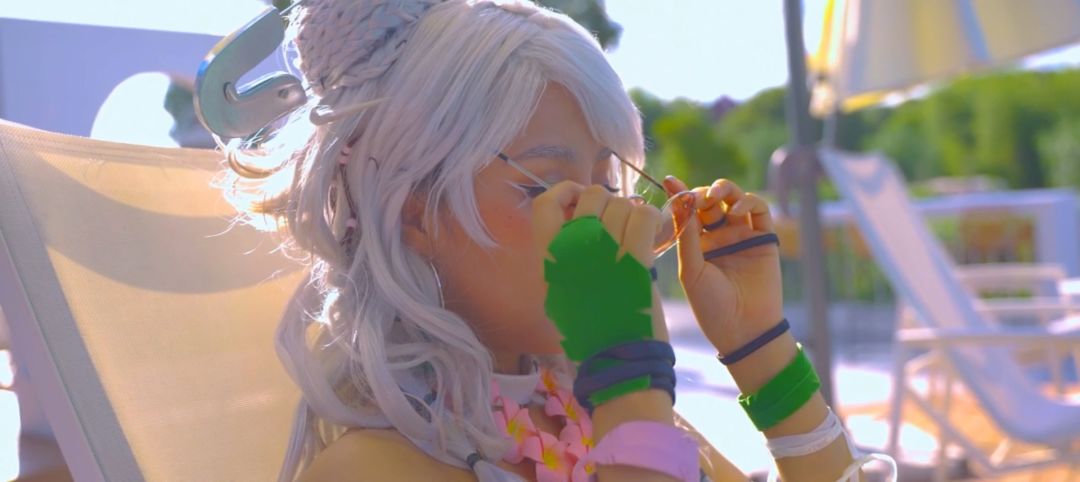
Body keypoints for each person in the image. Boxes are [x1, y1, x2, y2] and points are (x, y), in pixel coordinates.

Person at [217, 1, 891, 480]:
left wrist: (761, 350)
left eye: (609, 181)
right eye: (546, 188)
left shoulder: (587, 411)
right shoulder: (371, 468)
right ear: (412, 212)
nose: (604, 216)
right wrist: (629, 372)